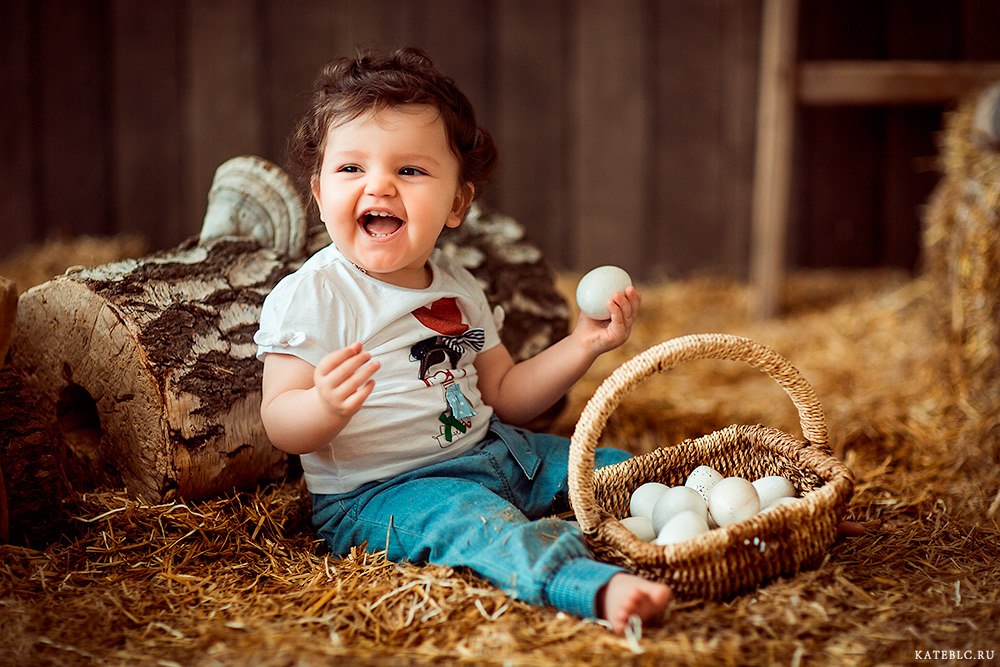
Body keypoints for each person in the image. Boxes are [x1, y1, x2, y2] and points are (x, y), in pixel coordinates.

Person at [254, 47, 671, 634]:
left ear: (456, 203)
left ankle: (755, 516)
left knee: (613, 469)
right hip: (385, 495)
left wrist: (583, 344)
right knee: (479, 527)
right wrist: (320, 406)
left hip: (495, 452)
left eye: (410, 170)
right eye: (351, 169)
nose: (380, 186)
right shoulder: (315, 295)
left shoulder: (457, 285)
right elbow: (279, 420)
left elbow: (505, 392)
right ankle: (591, 587)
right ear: (319, 193)